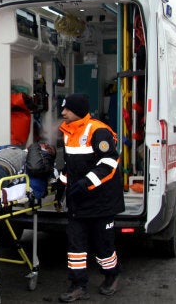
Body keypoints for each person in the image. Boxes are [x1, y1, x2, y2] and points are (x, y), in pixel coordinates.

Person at [57, 93, 125, 302]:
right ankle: (78, 284)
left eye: (67, 109)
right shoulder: (68, 132)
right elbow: (71, 166)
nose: (63, 112)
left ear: (77, 110)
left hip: (101, 201)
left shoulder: (98, 131)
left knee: (103, 245)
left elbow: (109, 164)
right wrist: (61, 185)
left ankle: (111, 276)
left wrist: (85, 184)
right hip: (79, 201)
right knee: (75, 245)